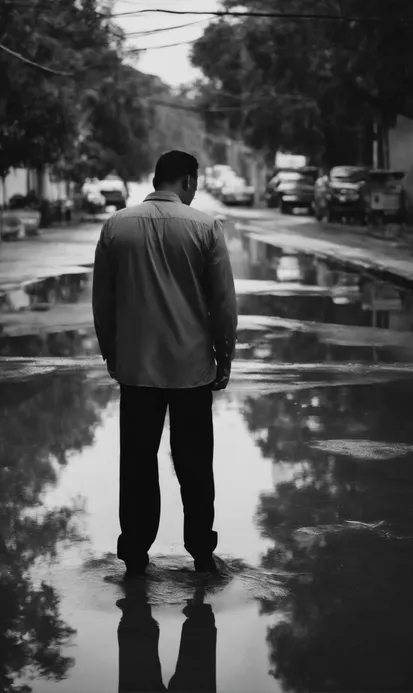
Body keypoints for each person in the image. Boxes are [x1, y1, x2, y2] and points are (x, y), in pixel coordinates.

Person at [92, 150, 238, 578]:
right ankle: (201, 554)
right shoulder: (206, 227)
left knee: (137, 463)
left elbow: (104, 301)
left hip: (137, 370)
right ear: (188, 181)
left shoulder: (116, 226)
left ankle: (136, 554)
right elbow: (223, 305)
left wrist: (111, 353)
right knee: (194, 463)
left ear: (157, 179)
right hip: (191, 371)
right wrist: (223, 356)